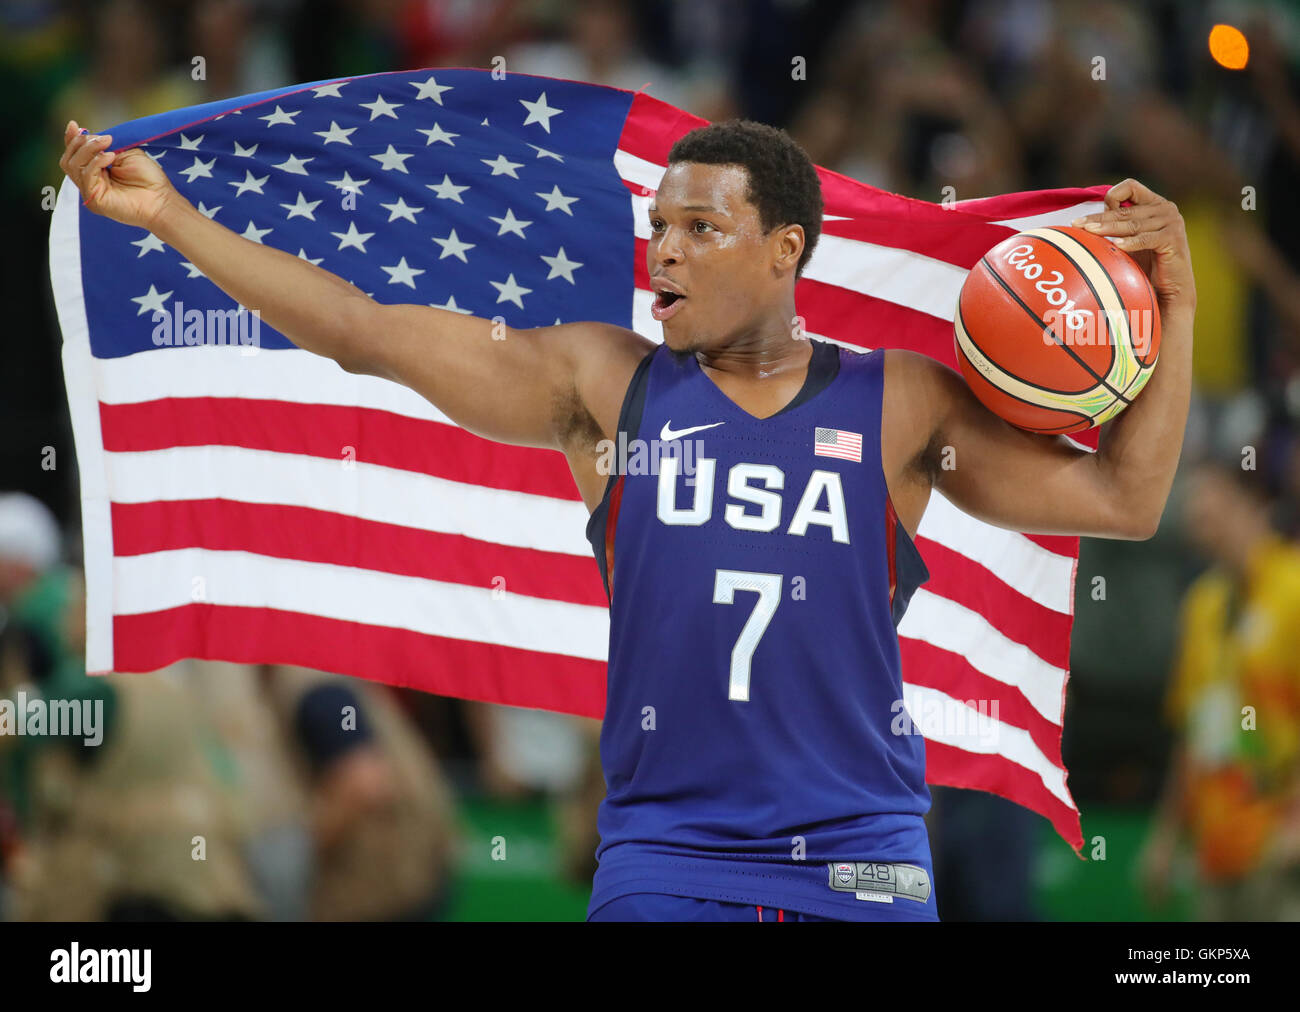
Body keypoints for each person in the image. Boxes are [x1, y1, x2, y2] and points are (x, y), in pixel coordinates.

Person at [58, 114, 1196, 921]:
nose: (663, 248)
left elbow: (1124, 498)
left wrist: (1176, 305)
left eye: (702, 228)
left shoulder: (902, 400)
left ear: (784, 248)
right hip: (666, 855)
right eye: (659, 226)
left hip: (863, 856)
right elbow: (363, 328)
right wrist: (174, 221)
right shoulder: (601, 383)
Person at [1139, 459, 1300, 920]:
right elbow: (1193, 732)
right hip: (1217, 847)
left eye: (1207, 497)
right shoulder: (1202, 606)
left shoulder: (1293, 591)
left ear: (1248, 502)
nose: (1194, 513)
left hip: (1282, 847)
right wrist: (1166, 838)